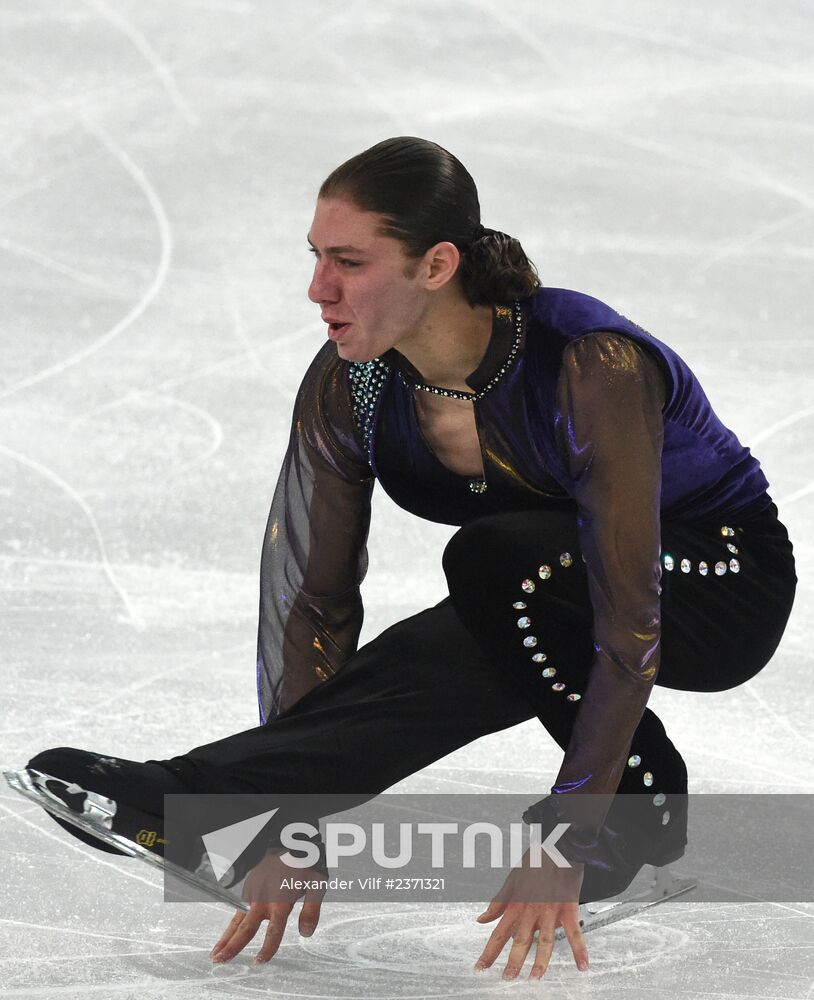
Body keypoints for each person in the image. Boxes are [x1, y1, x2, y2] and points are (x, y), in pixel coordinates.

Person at [24, 137, 797, 982]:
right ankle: (201, 792)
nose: (319, 288)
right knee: (447, 649)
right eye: (316, 257)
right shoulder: (353, 383)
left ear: (436, 265)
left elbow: (630, 613)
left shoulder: (587, 362)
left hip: (717, 583)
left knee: (496, 563)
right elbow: (315, 600)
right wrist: (295, 822)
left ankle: (622, 808)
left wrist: (571, 829)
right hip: (543, 589)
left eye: (350, 262)